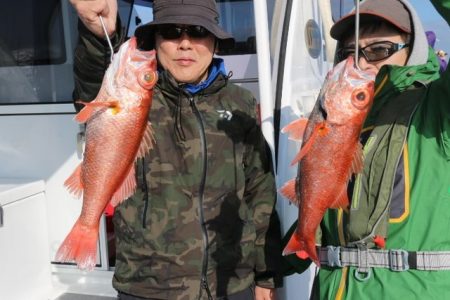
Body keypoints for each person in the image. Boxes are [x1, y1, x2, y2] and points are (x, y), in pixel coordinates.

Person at [68, 0, 282, 299]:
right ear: (155, 41)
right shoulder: (138, 94)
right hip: (147, 285)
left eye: (198, 31)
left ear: (214, 41)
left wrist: (266, 275)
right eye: (171, 32)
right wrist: (96, 33)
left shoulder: (241, 103)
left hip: (230, 283)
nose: (185, 44)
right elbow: (95, 80)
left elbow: (260, 192)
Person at [282, 0, 450, 299]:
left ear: (414, 49)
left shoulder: (438, 108)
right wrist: (270, 272)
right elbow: (326, 199)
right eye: (349, 53)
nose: (361, 62)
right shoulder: (347, 116)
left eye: (379, 50)